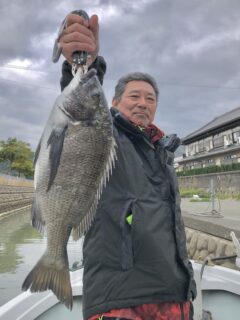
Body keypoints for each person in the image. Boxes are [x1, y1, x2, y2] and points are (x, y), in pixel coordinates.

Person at [58, 12, 196, 320]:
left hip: (175, 294)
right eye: (134, 96)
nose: (143, 103)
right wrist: (84, 67)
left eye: (150, 99)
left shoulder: (163, 152)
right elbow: (82, 110)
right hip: (120, 300)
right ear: (114, 104)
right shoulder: (107, 135)